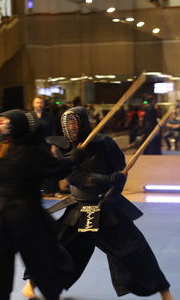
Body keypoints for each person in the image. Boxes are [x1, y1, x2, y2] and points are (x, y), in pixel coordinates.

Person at [49, 106, 173, 300]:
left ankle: (163, 291)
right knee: (63, 249)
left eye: (73, 124)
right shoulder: (64, 147)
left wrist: (113, 193)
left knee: (133, 249)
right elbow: (74, 176)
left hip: (106, 207)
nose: (70, 130)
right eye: (66, 126)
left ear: (82, 123)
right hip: (79, 207)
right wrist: (107, 180)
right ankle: (37, 287)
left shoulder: (104, 142)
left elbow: (119, 171)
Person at [0, 109, 86, 300]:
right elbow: (56, 170)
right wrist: (74, 157)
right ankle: (49, 293)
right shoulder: (29, 151)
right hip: (22, 215)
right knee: (46, 258)